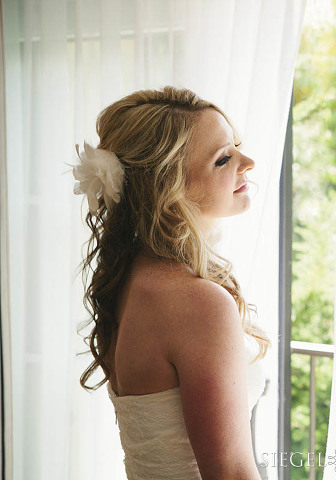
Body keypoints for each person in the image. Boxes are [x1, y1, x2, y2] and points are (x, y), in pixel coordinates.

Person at [70, 86, 271, 480]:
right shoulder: (199, 303)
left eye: (237, 146)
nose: (248, 162)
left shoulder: (130, 279)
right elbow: (230, 473)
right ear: (169, 187)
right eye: (223, 159)